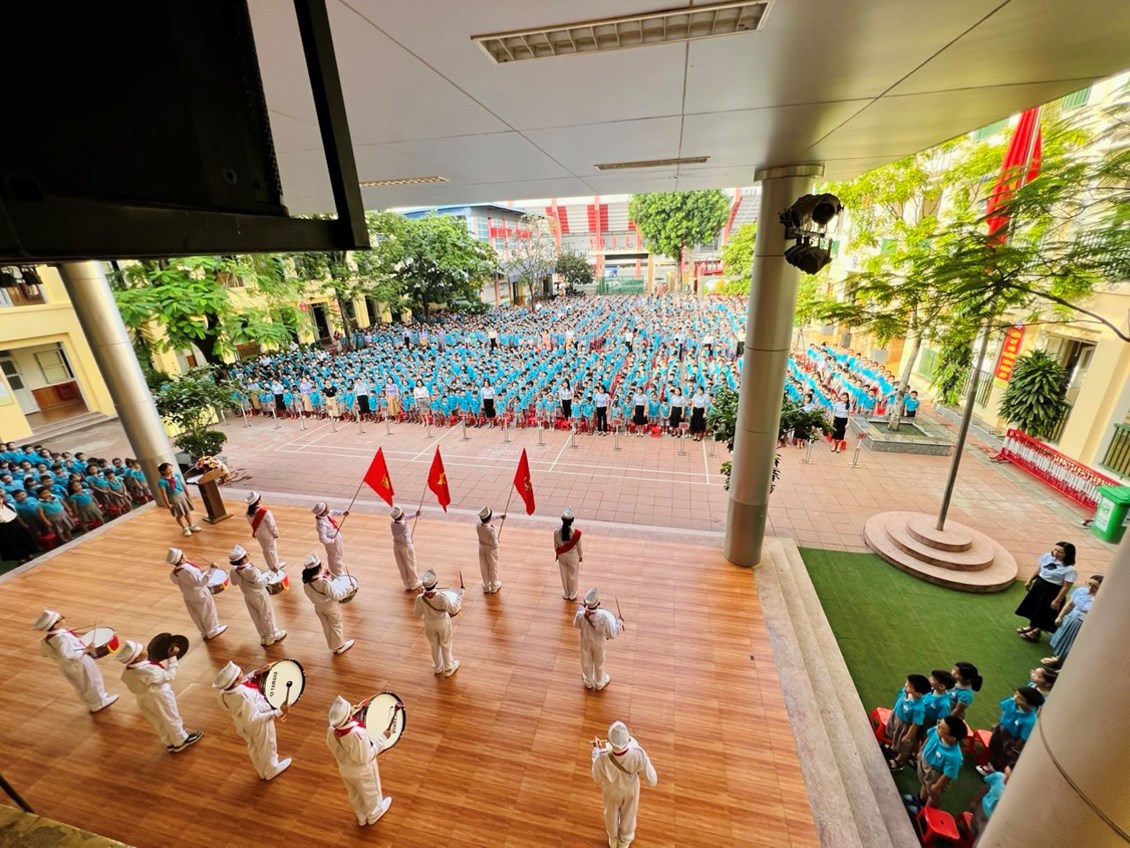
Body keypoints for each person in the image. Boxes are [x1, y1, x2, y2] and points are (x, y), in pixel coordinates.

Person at [117, 639, 203, 753]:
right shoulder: (148, 669)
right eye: (142, 650)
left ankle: (169, 741)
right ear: (138, 658)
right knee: (170, 716)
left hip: (142, 698)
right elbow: (169, 676)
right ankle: (181, 740)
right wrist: (172, 658)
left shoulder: (127, 672)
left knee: (158, 720)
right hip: (158, 695)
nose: (145, 649)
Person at [213, 661, 292, 780]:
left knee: (254, 746)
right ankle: (271, 769)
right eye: (240, 673)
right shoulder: (243, 697)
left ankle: (262, 770)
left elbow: (240, 683)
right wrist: (279, 711)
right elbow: (253, 719)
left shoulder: (224, 692)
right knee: (267, 745)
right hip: (259, 724)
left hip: (242, 725)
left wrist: (254, 673)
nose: (242, 672)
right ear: (235, 682)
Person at [327, 694, 397, 826]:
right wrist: (383, 738)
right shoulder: (358, 734)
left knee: (354, 794)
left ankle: (361, 816)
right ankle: (374, 813)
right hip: (363, 771)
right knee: (370, 792)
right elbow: (365, 757)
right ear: (348, 716)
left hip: (344, 769)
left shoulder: (331, 730)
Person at [34, 609, 118, 713]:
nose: (64, 618)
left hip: (65, 666)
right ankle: (99, 703)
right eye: (61, 618)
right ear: (56, 625)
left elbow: (44, 653)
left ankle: (92, 702)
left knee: (80, 685)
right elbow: (67, 654)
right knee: (92, 680)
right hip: (79, 662)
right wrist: (86, 649)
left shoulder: (46, 640)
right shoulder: (61, 638)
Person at [591, 720, 658, 848]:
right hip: (631, 790)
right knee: (629, 814)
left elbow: (596, 778)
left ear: (609, 741)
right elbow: (652, 780)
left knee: (611, 814)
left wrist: (596, 750)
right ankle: (624, 842)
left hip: (611, 791)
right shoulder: (638, 754)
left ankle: (613, 839)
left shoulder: (602, 757)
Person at [1015, 541, 1077, 642]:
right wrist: (1030, 580)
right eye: (1055, 550)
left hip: (1052, 591)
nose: (1056, 553)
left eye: (1060, 552)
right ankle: (1031, 626)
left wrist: (1057, 600)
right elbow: (1039, 569)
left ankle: (1036, 632)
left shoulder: (1070, 570)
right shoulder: (1047, 556)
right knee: (1036, 608)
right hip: (1039, 586)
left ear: (1068, 555)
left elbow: (1066, 587)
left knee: (1046, 612)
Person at [228, 545, 287, 647]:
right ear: (243, 559)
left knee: (256, 616)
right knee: (267, 614)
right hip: (259, 595)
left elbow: (233, 583)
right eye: (246, 555)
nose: (248, 555)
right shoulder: (250, 570)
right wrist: (272, 573)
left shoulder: (234, 570)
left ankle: (263, 636)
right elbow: (261, 584)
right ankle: (272, 635)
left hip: (247, 596)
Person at [166, 547, 227, 641]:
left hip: (187, 594)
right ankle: (212, 630)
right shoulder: (187, 571)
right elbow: (200, 582)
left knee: (196, 614)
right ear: (181, 559)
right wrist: (212, 569)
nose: (185, 555)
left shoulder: (173, 573)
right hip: (199, 593)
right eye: (183, 555)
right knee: (207, 611)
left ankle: (204, 631)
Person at [1044, 574, 1103, 668]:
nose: (1090, 588)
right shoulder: (1081, 591)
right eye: (1089, 584)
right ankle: (1059, 659)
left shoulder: (1101, 600)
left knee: (1073, 645)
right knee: (1063, 640)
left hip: (1083, 625)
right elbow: (1070, 604)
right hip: (1071, 619)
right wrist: (1060, 616)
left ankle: (1064, 664)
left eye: (1095, 587)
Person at [982, 687, 1045, 774]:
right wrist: (997, 724)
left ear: (1030, 706)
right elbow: (1004, 713)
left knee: (1004, 755)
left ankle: (996, 771)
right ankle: (990, 763)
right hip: (1001, 729)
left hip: (1012, 738)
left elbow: (1023, 738)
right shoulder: (1011, 702)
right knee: (994, 745)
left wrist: (1015, 750)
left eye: (1020, 699)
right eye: (1016, 695)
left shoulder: (1030, 721)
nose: (1015, 698)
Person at [301, 553, 355, 655]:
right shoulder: (324, 582)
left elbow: (318, 587)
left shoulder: (306, 583)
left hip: (318, 607)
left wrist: (325, 577)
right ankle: (340, 646)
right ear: (319, 568)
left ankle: (333, 646)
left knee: (327, 627)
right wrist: (349, 589)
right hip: (330, 607)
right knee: (336, 625)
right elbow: (337, 596)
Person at [413, 568, 462, 677]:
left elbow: (417, 613)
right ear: (436, 583)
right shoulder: (442, 597)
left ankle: (437, 667)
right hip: (442, 623)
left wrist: (425, 617)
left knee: (434, 645)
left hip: (429, 624)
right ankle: (449, 667)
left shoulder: (420, 598)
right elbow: (454, 609)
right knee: (445, 644)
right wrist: (460, 596)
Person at [913, 714, 967, 809]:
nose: (937, 727)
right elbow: (929, 738)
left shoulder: (954, 757)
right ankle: (920, 801)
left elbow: (948, 775)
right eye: (939, 723)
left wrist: (937, 786)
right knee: (925, 784)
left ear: (952, 738)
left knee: (932, 793)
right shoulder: (937, 731)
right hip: (925, 763)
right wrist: (921, 751)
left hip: (935, 773)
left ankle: (925, 811)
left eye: (941, 729)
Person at [573, 587, 621, 691]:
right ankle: (600, 682)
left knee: (585, 660)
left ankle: (588, 681)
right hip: (599, 643)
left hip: (585, 640)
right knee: (599, 661)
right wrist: (619, 624)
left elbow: (576, 625)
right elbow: (612, 634)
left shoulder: (580, 614)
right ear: (598, 603)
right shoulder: (603, 618)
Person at [886, 673, 930, 770]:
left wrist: (908, 736)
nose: (906, 685)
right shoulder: (905, 692)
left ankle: (899, 761)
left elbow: (915, 724)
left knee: (904, 747)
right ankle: (893, 748)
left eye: (909, 686)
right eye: (907, 683)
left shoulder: (919, 708)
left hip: (905, 726)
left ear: (918, 693)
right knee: (895, 735)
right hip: (896, 717)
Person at [157, 462, 201, 538]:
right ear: (163, 471)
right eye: (169, 469)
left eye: (171, 468)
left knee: (187, 511)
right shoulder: (162, 481)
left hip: (182, 495)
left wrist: (188, 494)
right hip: (174, 498)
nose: (171, 470)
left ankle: (191, 525)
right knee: (179, 514)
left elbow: (183, 485)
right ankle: (184, 528)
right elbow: (164, 494)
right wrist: (167, 504)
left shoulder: (176, 475)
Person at [245, 491, 285, 572]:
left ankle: (271, 565)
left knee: (265, 550)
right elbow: (271, 524)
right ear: (258, 500)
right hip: (267, 534)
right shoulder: (265, 512)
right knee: (271, 549)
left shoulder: (248, 513)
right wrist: (275, 533)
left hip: (258, 533)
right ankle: (275, 566)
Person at [968, 766, 1010, 842]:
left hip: (991, 820)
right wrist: (974, 802)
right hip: (981, 809)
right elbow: (986, 787)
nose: (1005, 779)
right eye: (1006, 775)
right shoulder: (998, 777)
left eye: (1008, 778)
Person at [389, 505, 422, 591]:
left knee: (401, 565)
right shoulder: (404, 527)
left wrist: (415, 514)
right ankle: (414, 582)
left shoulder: (392, 522)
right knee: (410, 563)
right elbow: (407, 539)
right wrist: (411, 542)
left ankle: (407, 583)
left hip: (397, 546)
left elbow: (404, 518)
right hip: (406, 547)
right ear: (402, 514)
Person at [312, 501, 348, 577]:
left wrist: (342, 513)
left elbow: (333, 512)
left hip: (335, 537)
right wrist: (332, 541)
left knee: (333, 557)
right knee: (336, 557)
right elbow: (322, 539)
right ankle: (338, 573)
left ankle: (334, 573)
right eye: (327, 508)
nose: (329, 508)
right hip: (332, 542)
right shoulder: (322, 524)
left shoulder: (326, 515)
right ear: (323, 512)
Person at [554, 508, 583, 601]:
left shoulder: (556, 531)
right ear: (572, 520)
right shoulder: (576, 533)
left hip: (562, 556)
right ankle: (573, 593)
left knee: (564, 574)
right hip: (572, 556)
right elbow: (579, 546)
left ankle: (566, 593)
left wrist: (558, 554)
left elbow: (555, 546)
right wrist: (580, 555)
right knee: (573, 574)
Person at [476, 506, 505, 594]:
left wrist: (499, 517)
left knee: (484, 567)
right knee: (493, 567)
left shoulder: (478, 525)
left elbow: (487, 520)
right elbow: (495, 545)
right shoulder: (491, 531)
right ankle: (494, 585)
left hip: (482, 548)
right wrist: (497, 542)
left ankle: (486, 586)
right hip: (491, 550)